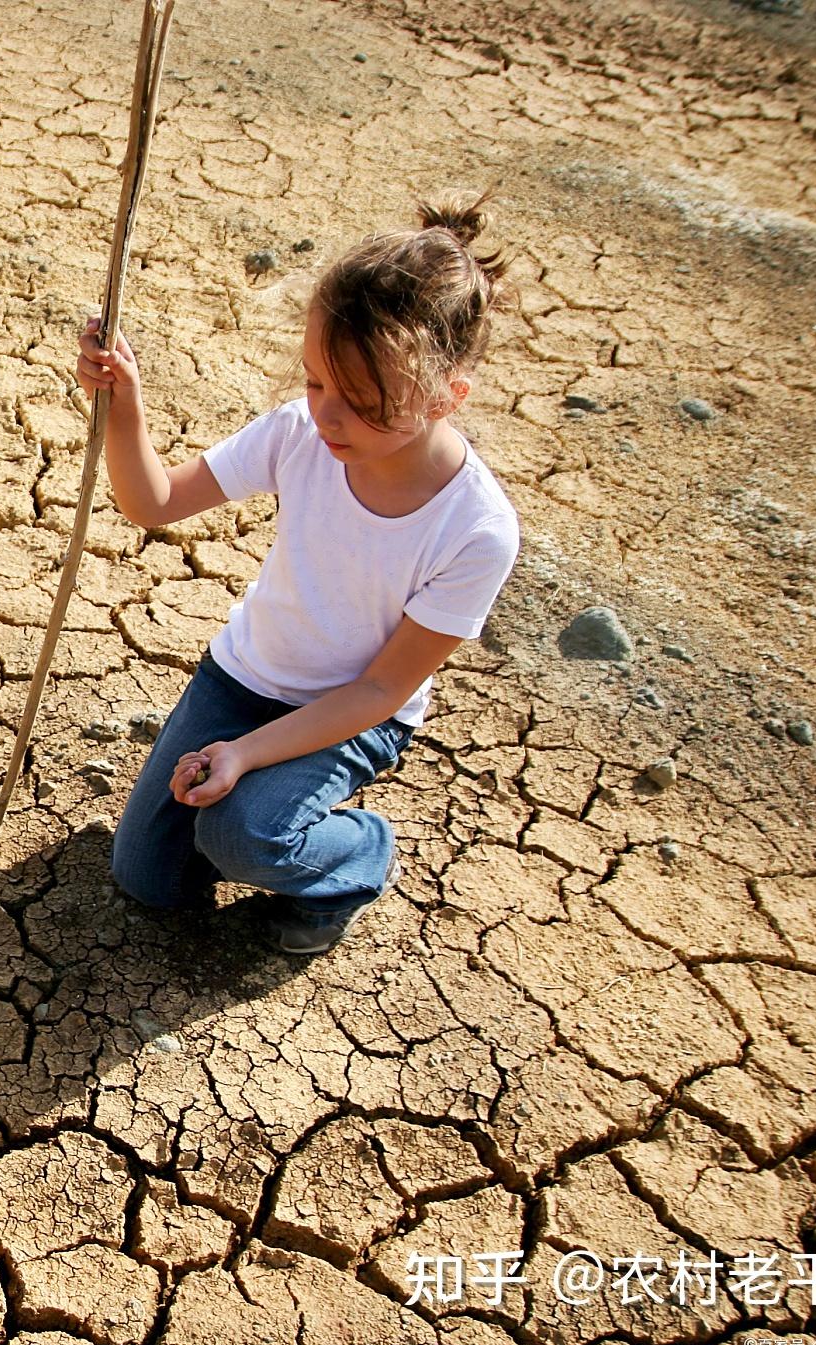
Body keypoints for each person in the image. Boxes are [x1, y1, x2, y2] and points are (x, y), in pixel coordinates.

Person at [79, 191, 522, 954]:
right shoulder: (300, 432)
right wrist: (124, 403)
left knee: (242, 830)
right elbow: (153, 503)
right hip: (242, 678)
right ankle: (249, 817)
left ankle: (357, 859)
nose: (328, 415)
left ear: (451, 395)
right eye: (317, 382)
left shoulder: (477, 529)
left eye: (364, 402)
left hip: (352, 715)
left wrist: (245, 755)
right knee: (148, 880)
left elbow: (382, 688)